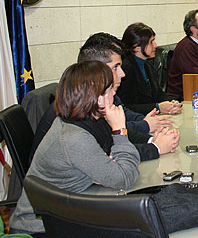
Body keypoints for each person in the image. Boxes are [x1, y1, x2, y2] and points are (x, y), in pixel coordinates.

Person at [10, 61, 140, 235]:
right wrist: (120, 131)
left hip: (66, 209)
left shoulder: (78, 120)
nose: (114, 95)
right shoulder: (74, 137)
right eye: (111, 90)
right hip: (40, 228)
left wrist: (103, 168)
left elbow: (111, 163)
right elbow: (125, 177)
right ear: (98, 99)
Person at [30, 37, 180, 164]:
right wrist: (155, 147)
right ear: (96, 71)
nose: (122, 73)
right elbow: (111, 154)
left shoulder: (99, 98)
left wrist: (152, 140)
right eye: (116, 67)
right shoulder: (80, 110)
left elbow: (115, 135)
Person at [119, 23, 182, 115]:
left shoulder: (147, 64)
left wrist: (173, 102)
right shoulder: (126, 68)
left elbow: (158, 95)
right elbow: (126, 106)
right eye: (151, 42)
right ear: (136, 47)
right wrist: (157, 107)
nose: (155, 45)